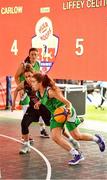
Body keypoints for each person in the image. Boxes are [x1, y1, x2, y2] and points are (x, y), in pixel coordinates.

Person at [30, 73, 105, 165]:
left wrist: (68, 110)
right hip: (56, 114)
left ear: (40, 83)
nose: (31, 84)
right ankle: (76, 154)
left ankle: (98, 139)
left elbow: (68, 103)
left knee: (77, 136)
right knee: (55, 137)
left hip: (66, 112)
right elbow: (43, 98)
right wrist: (39, 103)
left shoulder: (51, 92)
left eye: (33, 82)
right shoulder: (38, 92)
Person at [12, 67, 51, 154]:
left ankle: (70, 136)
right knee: (24, 123)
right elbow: (16, 90)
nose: (28, 78)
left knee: (51, 125)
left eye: (30, 76)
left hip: (44, 107)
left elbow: (49, 92)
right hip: (33, 108)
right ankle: (26, 145)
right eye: (26, 76)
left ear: (33, 75)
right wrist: (13, 103)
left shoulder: (40, 83)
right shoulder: (24, 84)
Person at [15, 47, 49, 138]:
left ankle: (42, 130)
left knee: (40, 106)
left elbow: (38, 77)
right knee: (26, 109)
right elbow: (16, 77)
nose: (33, 56)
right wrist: (21, 89)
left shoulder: (38, 64)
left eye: (35, 54)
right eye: (32, 54)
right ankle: (26, 134)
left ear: (38, 56)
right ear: (29, 55)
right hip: (25, 88)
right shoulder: (24, 65)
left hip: (34, 89)